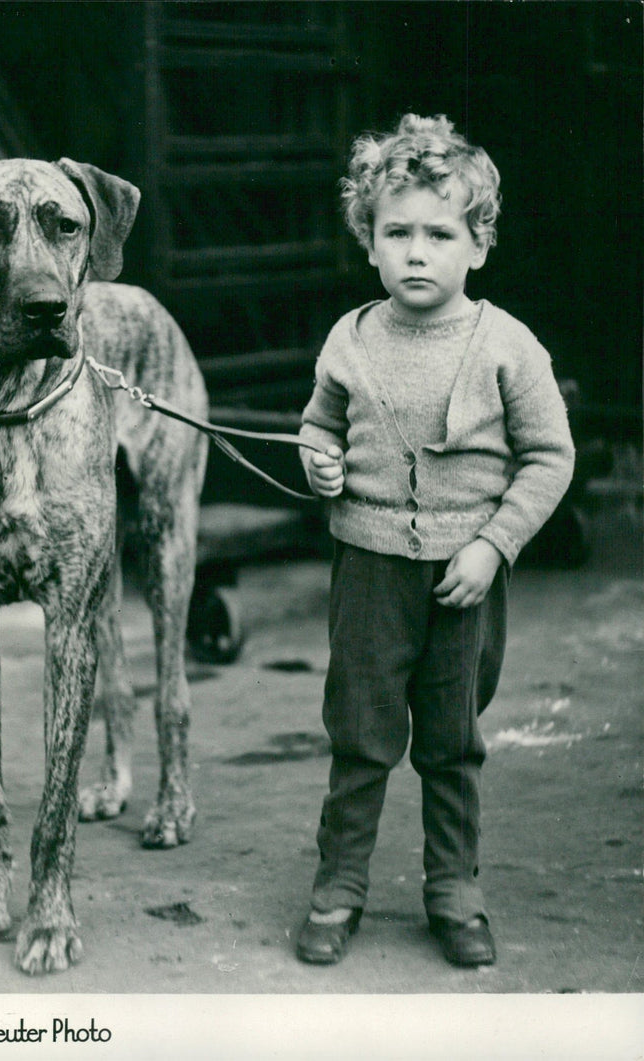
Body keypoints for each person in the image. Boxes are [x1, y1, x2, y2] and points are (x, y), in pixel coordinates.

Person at [295, 113, 575, 967]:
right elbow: (319, 427)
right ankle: (339, 885)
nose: (417, 252)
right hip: (369, 572)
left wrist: (493, 544)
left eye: (440, 234)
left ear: (478, 245)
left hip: (465, 580)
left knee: (452, 743)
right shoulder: (349, 339)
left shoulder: (507, 346)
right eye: (397, 233)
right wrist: (320, 460)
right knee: (360, 735)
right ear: (369, 242)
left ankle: (454, 887)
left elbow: (550, 456)